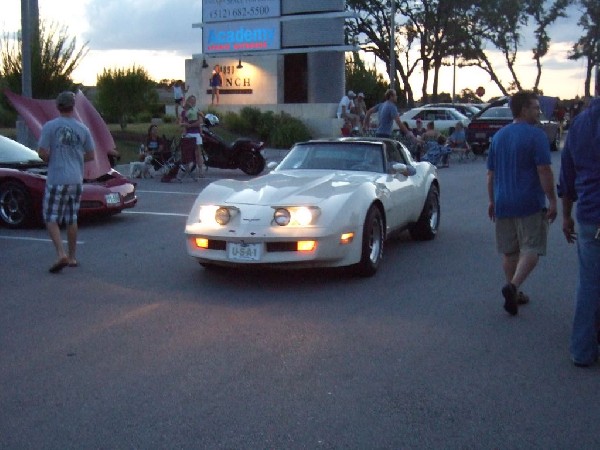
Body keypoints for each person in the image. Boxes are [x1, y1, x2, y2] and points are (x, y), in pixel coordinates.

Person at [486, 90, 557, 316]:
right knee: (532, 247)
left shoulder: (499, 136)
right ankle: (514, 286)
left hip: (503, 201)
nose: (538, 111)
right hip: (529, 202)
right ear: (524, 109)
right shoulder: (536, 136)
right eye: (535, 107)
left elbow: (490, 174)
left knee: (510, 252)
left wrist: (492, 201)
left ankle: (513, 293)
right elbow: (544, 170)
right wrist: (553, 200)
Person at [558, 96, 600, 367]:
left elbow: (567, 175)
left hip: (590, 215)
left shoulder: (579, 124)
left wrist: (566, 216)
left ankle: (582, 350)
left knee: (589, 283)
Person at [37, 91, 95, 273]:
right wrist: (76, 157)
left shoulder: (50, 127)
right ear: (73, 106)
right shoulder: (82, 129)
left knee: (50, 217)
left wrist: (52, 157)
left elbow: (42, 152)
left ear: (58, 106)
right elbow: (91, 155)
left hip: (57, 178)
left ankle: (60, 253)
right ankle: (72, 257)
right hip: (76, 179)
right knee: (72, 218)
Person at [180, 95, 205, 178]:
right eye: (191, 101)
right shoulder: (184, 112)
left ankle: (200, 171)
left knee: (198, 152)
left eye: (194, 101)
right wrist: (185, 125)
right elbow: (181, 123)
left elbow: (200, 121)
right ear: (188, 101)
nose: (193, 102)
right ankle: (187, 170)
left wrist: (190, 125)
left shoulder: (197, 110)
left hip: (196, 133)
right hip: (188, 134)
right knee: (188, 152)